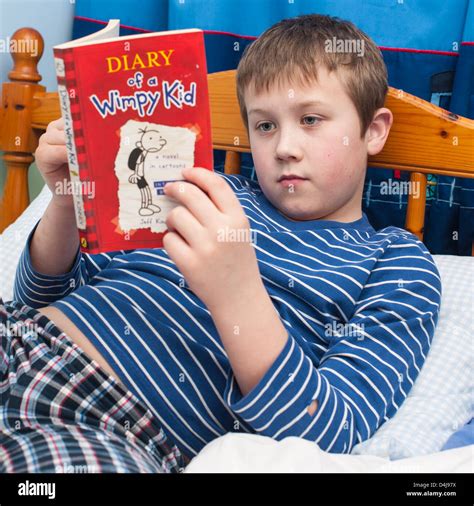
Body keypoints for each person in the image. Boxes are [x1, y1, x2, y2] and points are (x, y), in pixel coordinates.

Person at [1, 14, 441, 473]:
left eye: (311, 119)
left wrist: (236, 292)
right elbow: (39, 298)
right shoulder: (207, 189)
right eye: (265, 126)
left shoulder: (396, 262)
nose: (285, 147)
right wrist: (69, 201)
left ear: (373, 130)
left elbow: (328, 430)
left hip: (105, 422)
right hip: (19, 339)